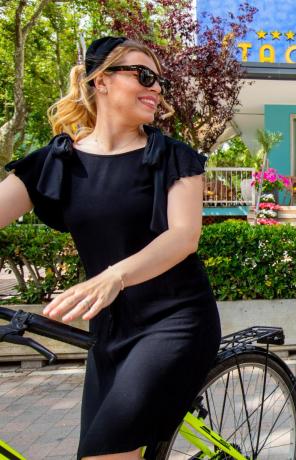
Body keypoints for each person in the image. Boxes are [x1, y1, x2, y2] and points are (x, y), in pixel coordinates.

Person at [0, 36, 221, 459]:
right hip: (110, 332)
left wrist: (115, 275)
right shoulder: (57, 161)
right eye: (144, 76)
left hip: (175, 322)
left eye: (159, 81)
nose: (156, 88)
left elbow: (183, 236)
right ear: (101, 81)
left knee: (105, 455)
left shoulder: (173, 156)